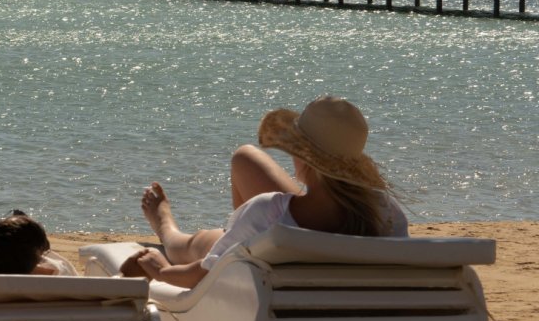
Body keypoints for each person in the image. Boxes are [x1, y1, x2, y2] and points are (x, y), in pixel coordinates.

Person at [123, 95, 409, 288]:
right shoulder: (386, 213)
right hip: (327, 282)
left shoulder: (267, 213)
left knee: (195, 244)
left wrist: (161, 271)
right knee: (245, 158)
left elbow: (206, 276)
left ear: (304, 158)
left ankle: (166, 226)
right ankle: (231, 236)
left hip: (263, 277)